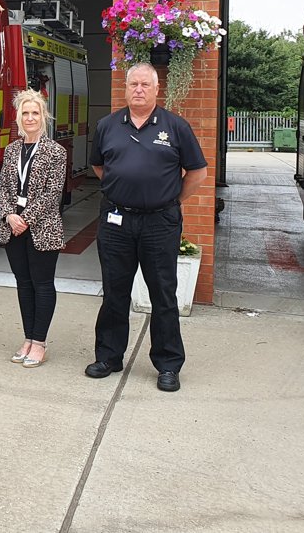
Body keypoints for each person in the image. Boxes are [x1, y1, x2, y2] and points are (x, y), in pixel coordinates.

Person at [85, 62, 207, 392]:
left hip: (159, 223)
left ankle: (168, 364)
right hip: (116, 221)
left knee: (163, 293)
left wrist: (169, 200)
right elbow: (99, 166)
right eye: (133, 84)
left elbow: (197, 173)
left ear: (156, 89)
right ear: (125, 88)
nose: (138, 90)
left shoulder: (176, 127)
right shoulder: (107, 126)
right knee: (114, 291)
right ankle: (109, 356)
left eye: (145, 85)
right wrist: (123, 189)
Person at [0, 89, 66, 368]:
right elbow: (3, 187)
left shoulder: (56, 152)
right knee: (23, 284)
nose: (30, 118)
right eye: (25, 113)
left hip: (42, 227)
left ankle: (39, 342)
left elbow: (53, 193)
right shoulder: (12, 150)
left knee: (42, 284)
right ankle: (27, 338)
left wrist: (26, 219)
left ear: (44, 116)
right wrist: (9, 215)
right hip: (13, 227)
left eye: (35, 112)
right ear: (18, 118)